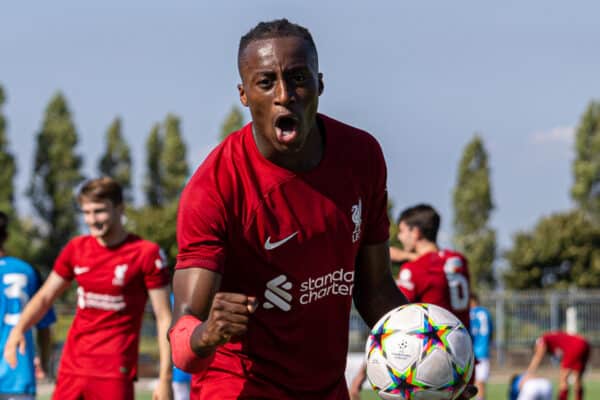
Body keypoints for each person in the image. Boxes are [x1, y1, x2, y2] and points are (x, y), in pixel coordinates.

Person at [169, 19, 477, 400]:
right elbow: (182, 340)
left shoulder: (361, 156)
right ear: (244, 94)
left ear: (320, 84)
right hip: (239, 387)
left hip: (325, 387)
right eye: (265, 82)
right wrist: (207, 333)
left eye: (298, 78)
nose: (284, 94)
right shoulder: (215, 187)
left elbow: (375, 288)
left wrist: (437, 366)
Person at [3, 178, 173, 400]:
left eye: (99, 211)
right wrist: (19, 329)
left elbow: (163, 318)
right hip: (72, 367)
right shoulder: (76, 248)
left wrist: (165, 378)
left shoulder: (146, 253)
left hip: (114, 371)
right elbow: (45, 297)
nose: (92, 220)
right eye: (86, 212)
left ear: (120, 208)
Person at [349, 204, 472, 399]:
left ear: (416, 232)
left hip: (432, 363)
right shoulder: (457, 261)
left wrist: (360, 376)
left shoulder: (415, 270)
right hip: (463, 356)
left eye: (403, 231)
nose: (399, 237)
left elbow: (394, 324)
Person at [0, 211, 56, 400]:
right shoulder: (27, 271)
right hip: (19, 374)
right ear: (6, 236)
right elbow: (45, 325)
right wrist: (45, 363)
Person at [525, 331, 590, 400]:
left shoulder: (541, 340)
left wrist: (529, 373)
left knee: (563, 378)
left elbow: (538, 356)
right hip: (584, 344)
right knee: (577, 379)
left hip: (574, 347)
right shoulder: (551, 338)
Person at [470, 293, 493, 400]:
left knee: (471, 383)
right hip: (484, 351)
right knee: (481, 382)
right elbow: (491, 333)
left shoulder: (470, 313)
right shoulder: (486, 313)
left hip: (471, 352)